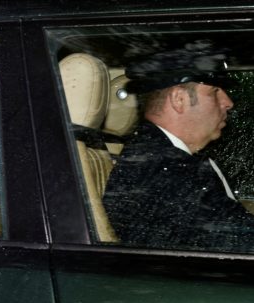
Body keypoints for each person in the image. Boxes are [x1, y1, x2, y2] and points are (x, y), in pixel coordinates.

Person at [103, 48, 254, 251]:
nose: (228, 102)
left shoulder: (170, 158)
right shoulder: (161, 171)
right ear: (179, 99)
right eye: (215, 92)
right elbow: (239, 242)